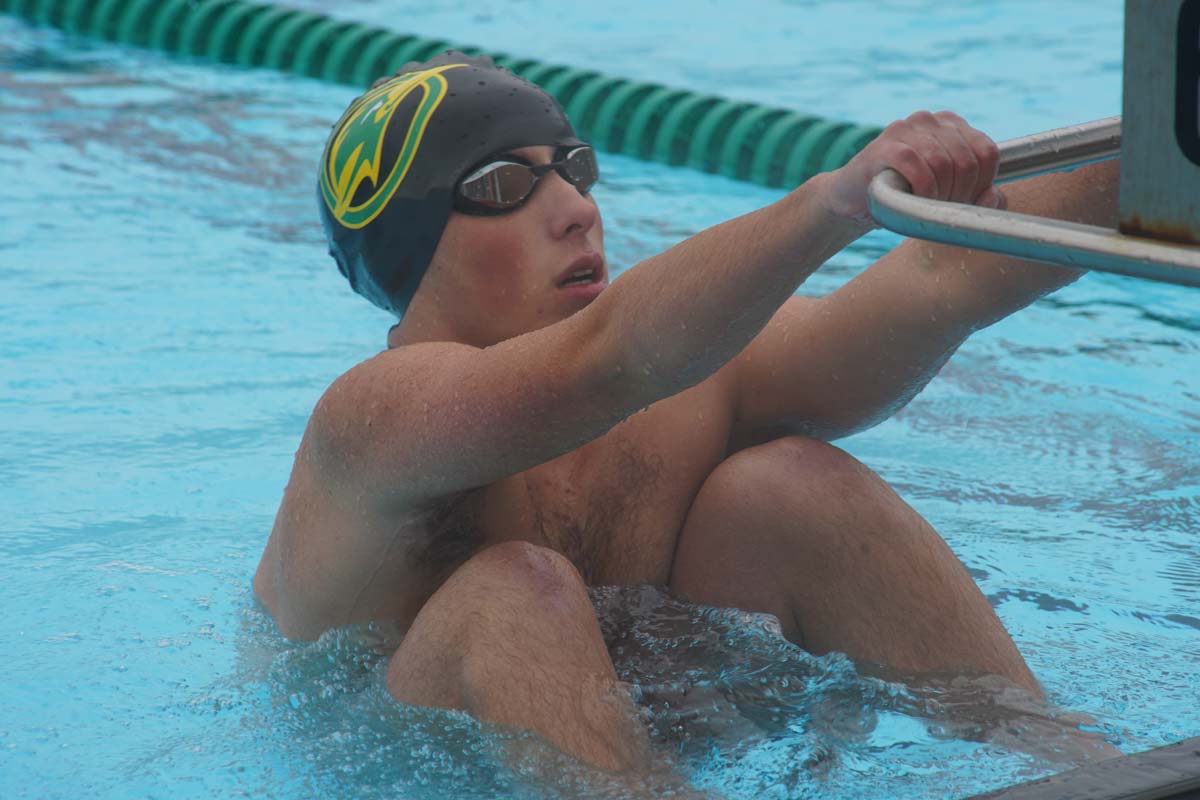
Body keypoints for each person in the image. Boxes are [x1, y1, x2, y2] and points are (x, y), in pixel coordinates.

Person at [253, 52, 1120, 773]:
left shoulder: (677, 386)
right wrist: (834, 201)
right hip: (411, 776)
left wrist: (1161, 154)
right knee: (511, 596)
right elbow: (610, 357)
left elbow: (941, 280)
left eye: (575, 169)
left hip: (653, 741)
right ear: (410, 247)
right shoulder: (372, 426)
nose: (577, 210)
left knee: (790, 485)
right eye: (504, 185)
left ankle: (1076, 766)